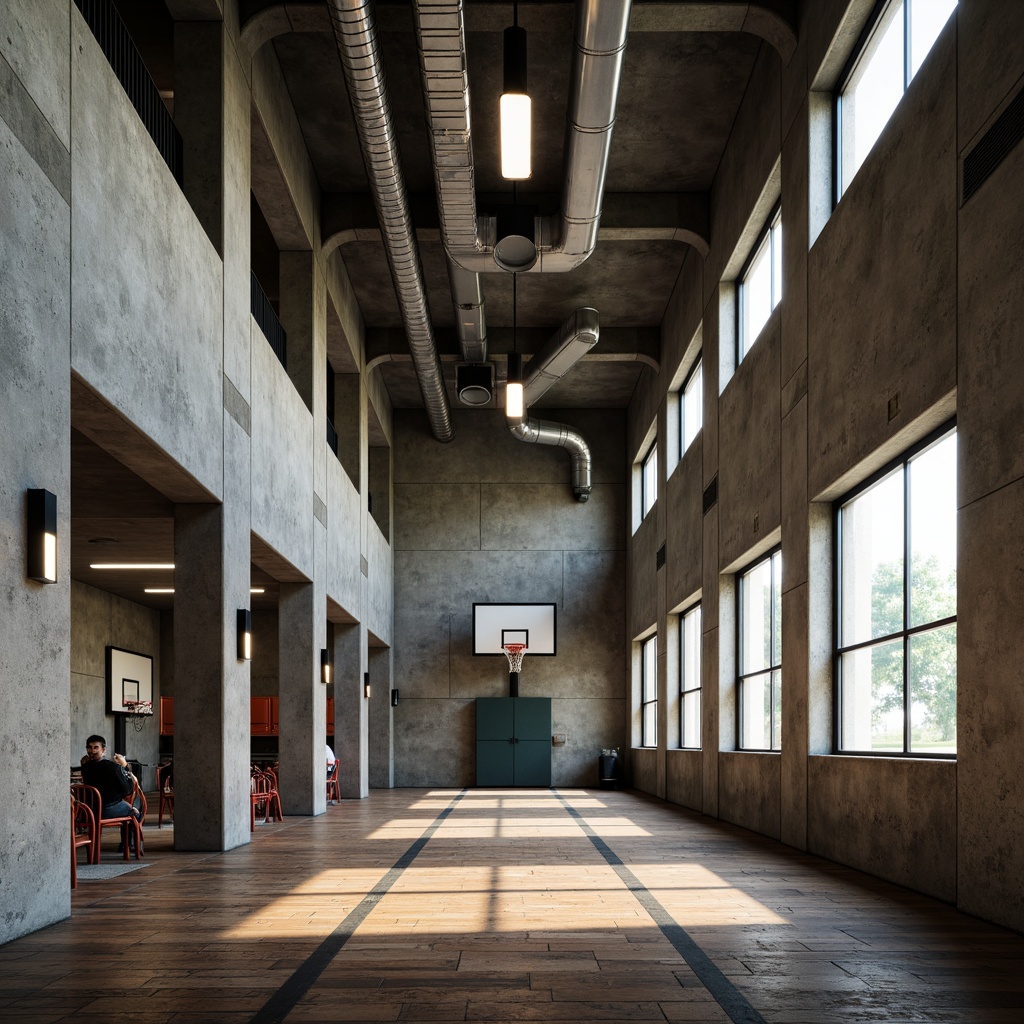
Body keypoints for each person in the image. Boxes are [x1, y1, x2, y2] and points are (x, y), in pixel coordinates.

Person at [81, 735, 143, 853]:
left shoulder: (85, 767)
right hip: (107, 810)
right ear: (104, 750)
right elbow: (128, 789)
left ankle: (125, 845)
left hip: (88, 811)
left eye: (95, 747)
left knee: (127, 807)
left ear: (103, 749)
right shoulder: (113, 767)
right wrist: (124, 765)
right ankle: (129, 845)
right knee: (135, 811)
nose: (92, 751)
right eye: (90, 748)